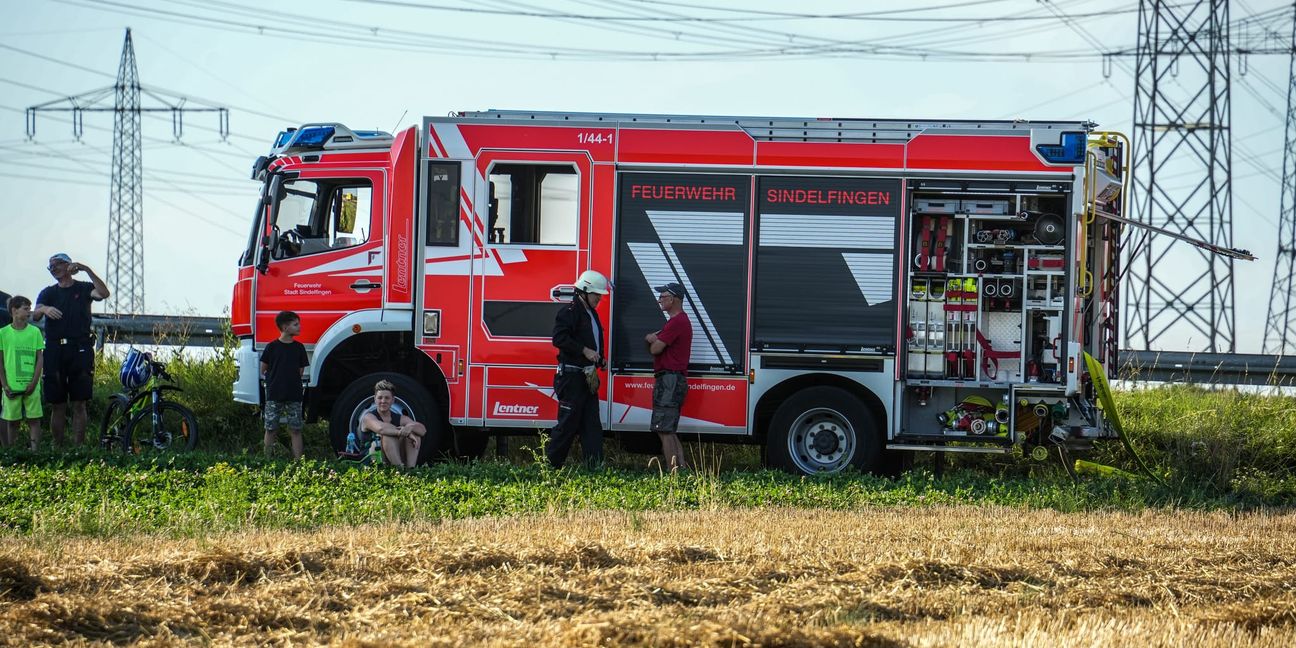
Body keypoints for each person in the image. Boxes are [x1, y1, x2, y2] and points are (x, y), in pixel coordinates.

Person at [32, 253, 109, 446]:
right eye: (50, 267)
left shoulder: (83, 288)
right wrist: (44, 310)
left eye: (57, 264)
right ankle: (57, 446)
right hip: (54, 350)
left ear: (68, 265)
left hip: (80, 349)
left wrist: (86, 269)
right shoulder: (48, 293)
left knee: (79, 402)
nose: (54, 269)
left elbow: (103, 293)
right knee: (57, 404)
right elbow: (35, 314)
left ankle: (77, 448)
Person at [547, 269, 609, 469]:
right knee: (567, 424)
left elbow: (593, 341)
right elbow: (559, 339)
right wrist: (584, 350)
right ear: (583, 290)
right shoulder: (569, 312)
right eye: (596, 293)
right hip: (571, 377)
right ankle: (551, 467)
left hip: (587, 378)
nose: (599, 297)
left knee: (592, 425)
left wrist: (600, 360)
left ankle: (595, 467)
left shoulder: (592, 313)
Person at [644, 282, 693, 472]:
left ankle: (673, 471)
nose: (659, 300)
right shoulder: (677, 322)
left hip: (669, 380)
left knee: (664, 428)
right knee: (668, 429)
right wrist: (657, 338)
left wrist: (651, 339)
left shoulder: (676, 322)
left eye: (663, 297)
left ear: (673, 299)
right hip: (673, 379)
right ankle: (680, 469)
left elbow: (656, 349)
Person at [260, 310, 309, 459]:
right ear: (285, 327)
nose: (299, 327)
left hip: (294, 395)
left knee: (296, 429)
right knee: (270, 428)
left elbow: (300, 371)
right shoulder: (271, 347)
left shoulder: (299, 348)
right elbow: (264, 369)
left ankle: (298, 463)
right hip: (274, 395)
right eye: (295, 324)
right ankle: (266, 460)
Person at [0, 296, 44, 450]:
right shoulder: (3, 333)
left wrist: (34, 382)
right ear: (14, 311)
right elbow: (0, 362)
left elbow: (40, 359)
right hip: (11, 386)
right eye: (25, 309)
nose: (29, 312)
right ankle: (12, 452)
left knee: (34, 419)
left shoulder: (35, 332)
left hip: (31, 385)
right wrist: (5, 385)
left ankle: (35, 452)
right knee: (12, 421)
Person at [359, 379, 427, 468]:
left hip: (392, 457)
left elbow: (423, 430)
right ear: (375, 399)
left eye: (387, 398)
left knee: (415, 433)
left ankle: (411, 469)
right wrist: (405, 433)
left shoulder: (399, 418)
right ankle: (400, 470)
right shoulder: (368, 417)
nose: (383, 401)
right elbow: (381, 429)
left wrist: (410, 427)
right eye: (380, 398)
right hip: (372, 461)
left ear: (393, 400)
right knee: (387, 435)